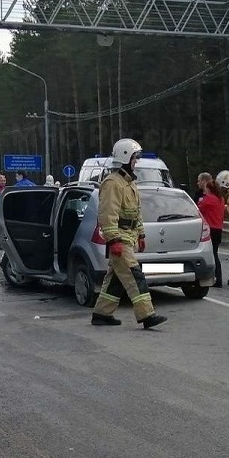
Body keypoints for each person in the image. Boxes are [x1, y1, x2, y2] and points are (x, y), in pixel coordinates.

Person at [91, 138, 167, 329]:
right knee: (135, 276)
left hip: (129, 237)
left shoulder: (129, 183)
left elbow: (136, 212)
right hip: (120, 238)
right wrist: (114, 239)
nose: (137, 161)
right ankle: (147, 315)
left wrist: (141, 234)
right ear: (125, 157)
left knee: (116, 279)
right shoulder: (112, 183)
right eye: (135, 157)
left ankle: (102, 314)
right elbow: (107, 214)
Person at [196, 172, 226, 287]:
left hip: (211, 229)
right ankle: (219, 277)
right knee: (215, 253)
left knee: (211, 254)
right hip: (218, 229)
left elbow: (197, 210)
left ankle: (215, 278)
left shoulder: (208, 199)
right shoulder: (220, 199)